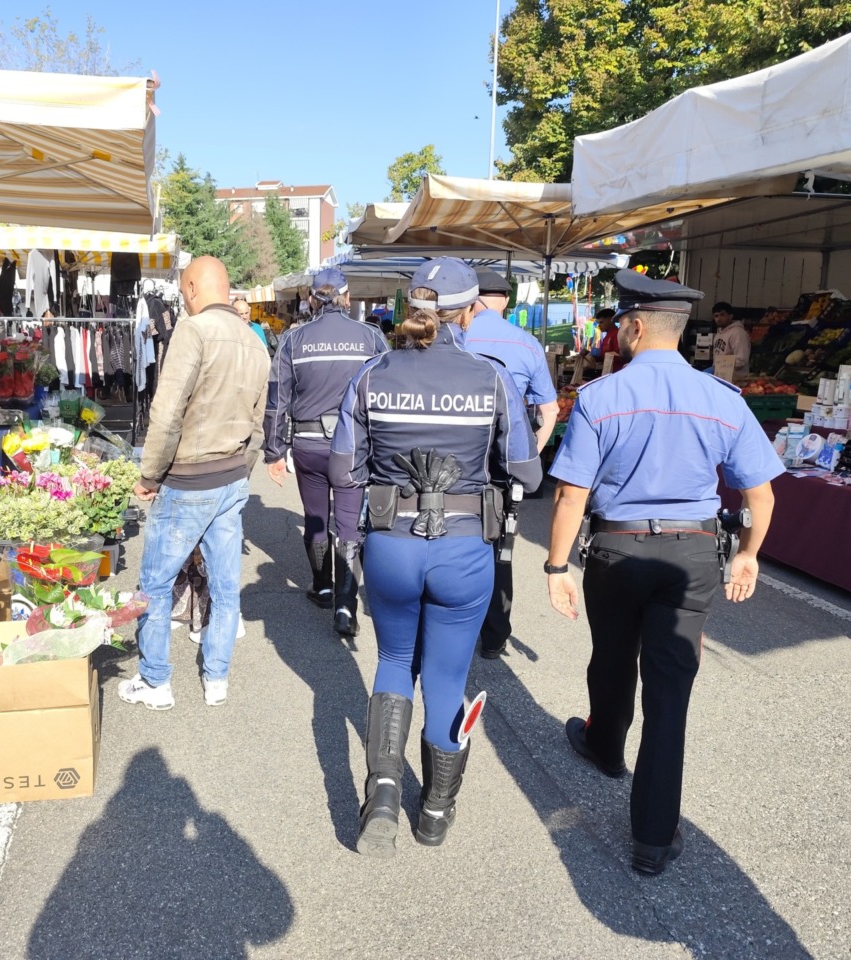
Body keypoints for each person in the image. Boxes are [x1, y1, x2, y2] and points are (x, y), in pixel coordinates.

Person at [543, 269, 783, 876]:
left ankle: (604, 745)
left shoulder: (602, 397)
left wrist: (554, 566)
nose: (618, 333)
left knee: (613, 652)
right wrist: (749, 553)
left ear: (637, 325)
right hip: (693, 555)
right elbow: (762, 495)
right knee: (670, 692)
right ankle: (652, 837)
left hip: (617, 550)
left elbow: (573, 494)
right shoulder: (723, 400)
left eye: (621, 324)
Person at [329, 258, 543, 857]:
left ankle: (385, 799)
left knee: (395, 660)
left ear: (411, 306)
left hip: (392, 542)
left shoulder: (371, 375)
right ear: (471, 310)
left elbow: (345, 469)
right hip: (463, 547)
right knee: (448, 680)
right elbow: (528, 469)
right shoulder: (492, 378)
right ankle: (437, 812)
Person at [119, 256, 270, 710]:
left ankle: (155, 681)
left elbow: (166, 412)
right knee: (225, 585)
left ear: (189, 288)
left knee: (155, 582)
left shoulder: (194, 331)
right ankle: (216, 679)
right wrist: (242, 472)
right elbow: (260, 424)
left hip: (188, 479)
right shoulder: (255, 341)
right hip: (231, 477)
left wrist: (149, 474)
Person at [263, 267, 388, 638]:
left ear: (313, 298)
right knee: (349, 525)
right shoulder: (372, 337)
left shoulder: (294, 340)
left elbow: (277, 400)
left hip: (309, 445)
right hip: (354, 448)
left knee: (316, 517)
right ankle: (346, 607)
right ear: (347, 298)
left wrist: (274, 451)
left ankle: (322, 587)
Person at [459, 270, 561, 660]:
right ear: (506, 300)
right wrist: (529, 450)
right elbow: (549, 410)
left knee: (455, 537)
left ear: (474, 300)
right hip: (503, 462)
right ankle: (495, 634)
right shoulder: (527, 343)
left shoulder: (460, 335)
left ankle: (453, 623)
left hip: (458, 457)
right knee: (500, 543)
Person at [712, 301, 751, 380]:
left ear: (730, 316)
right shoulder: (718, 334)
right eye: (716, 316)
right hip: (721, 378)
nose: (719, 319)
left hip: (736, 380)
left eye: (722, 315)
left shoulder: (738, 333)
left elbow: (742, 359)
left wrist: (721, 366)